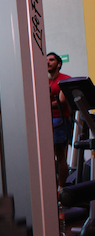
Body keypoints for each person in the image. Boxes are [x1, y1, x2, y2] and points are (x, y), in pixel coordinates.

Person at [48, 52, 72, 188]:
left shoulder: (64, 79)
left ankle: (62, 188)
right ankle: (51, 188)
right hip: (45, 121)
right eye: (46, 60)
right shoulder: (41, 80)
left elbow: (62, 102)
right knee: (47, 157)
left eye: (51, 60)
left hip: (59, 120)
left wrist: (44, 104)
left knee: (60, 155)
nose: (48, 62)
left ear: (59, 63)